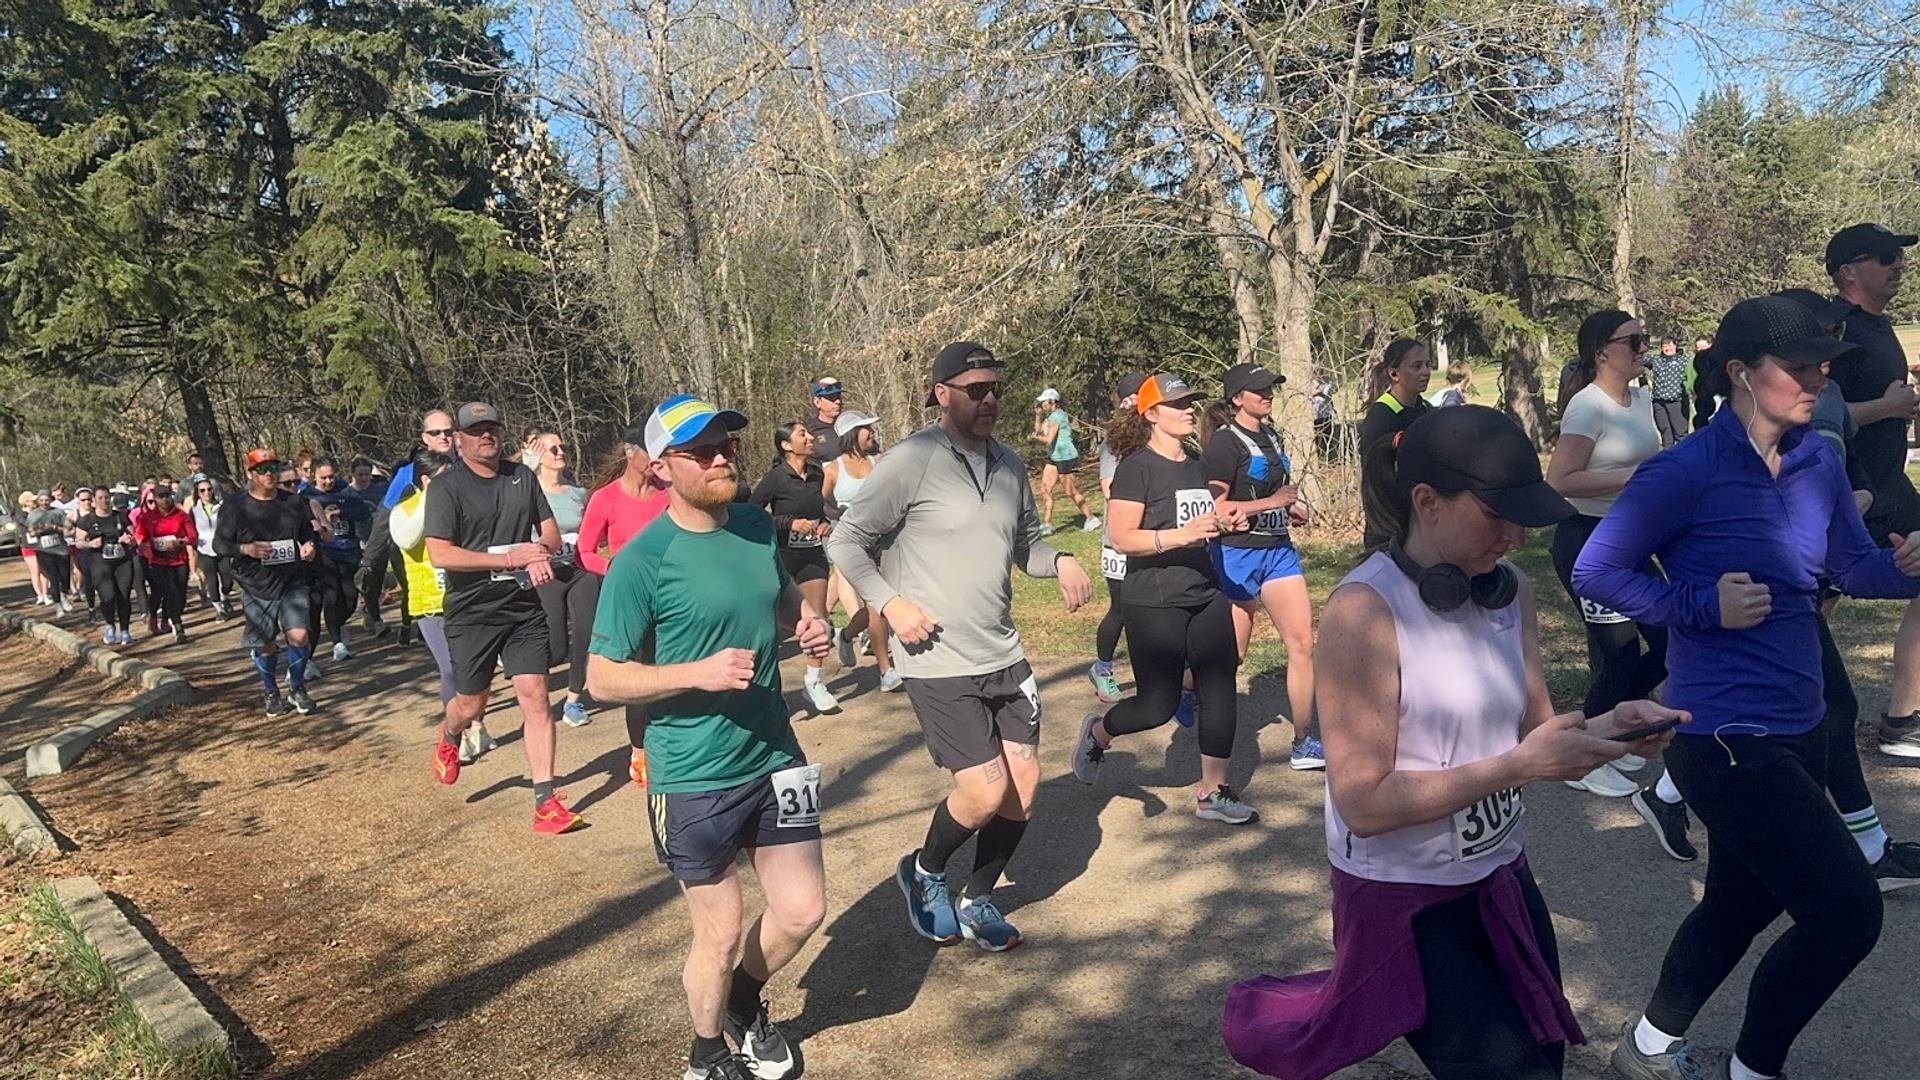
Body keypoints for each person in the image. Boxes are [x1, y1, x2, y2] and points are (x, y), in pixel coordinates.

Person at [1223, 404, 1676, 1080]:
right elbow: (1364, 804)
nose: (1516, 537)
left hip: (1500, 881)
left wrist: (1609, 731)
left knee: (1543, 1063)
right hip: (1406, 904)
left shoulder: (1508, 591)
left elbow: (1534, 733)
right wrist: (1516, 766)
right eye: (1497, 516)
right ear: (1426, 502)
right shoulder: (1362, 611)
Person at [1575, 295, 1920, 1080]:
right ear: (1739, 371)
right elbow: (1599, 570)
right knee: (1845, 914)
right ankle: (1753, 1069)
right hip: (1723, 736)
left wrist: (1901, 570)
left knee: (1740, 903)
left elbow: (1850, 566)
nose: (1817, 381)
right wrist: (1699, 605)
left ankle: (1648, 1049)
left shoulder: (1816, 460)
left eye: (1823, 367)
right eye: (1799, 368)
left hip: (1800, 725)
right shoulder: (1684, 470)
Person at [585, 394, 832, 1080]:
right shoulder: (643, 560)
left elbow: (779, 599)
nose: (723, 457)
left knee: (802, 910)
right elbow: (601, 678)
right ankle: (705, 1056)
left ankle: (744, 1003)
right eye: (703, 452)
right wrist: (696, 671)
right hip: (693, 774)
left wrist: (807, 623)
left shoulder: (754, 524)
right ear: (665, 468)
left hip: (776, 754)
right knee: (719, 932)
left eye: (727, 445)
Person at [828, 340, 1093, 952]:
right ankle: (923, 874)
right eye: (976, 390)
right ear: (941, 393)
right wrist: (891, 604)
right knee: (982, 791)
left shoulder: (1009, 465)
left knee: (1023, 788)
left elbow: (1027, 544)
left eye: (995, 387)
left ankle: (976, 897)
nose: (990, 399)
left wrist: (1063, 561)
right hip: (939, 658)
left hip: (1002, 651)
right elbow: (845, 542)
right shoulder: (911, 459)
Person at [1070, 371, 1259, 825]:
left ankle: (1213, 792)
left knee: (1220, 687)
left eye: (1191, 401)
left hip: (1204, 590)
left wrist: (1224, 521)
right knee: (1157, 705)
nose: (1189, 409)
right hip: (1153, 600)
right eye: (1178, 404)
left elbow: (1200, 516)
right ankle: (1099, 733)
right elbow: (1121, 537)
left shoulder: (1194, 461)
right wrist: (1181, 536)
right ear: (1151, 414)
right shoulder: (1136, 467)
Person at [423, 402, 581, 835]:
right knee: (472, 703)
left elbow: (548, 531)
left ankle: (545, 800)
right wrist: (509, 556)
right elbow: (440, 553)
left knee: (535, 695)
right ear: (458, 438)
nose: (485, 436)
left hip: (521, 605)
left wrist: (538, 554)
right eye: (475, 431)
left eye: (492, 428)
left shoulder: (521, 476)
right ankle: (451, 733)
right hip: (472, 611)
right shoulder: (447, 487)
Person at [1543, 310, 1667, 801]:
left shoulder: (1640, 398)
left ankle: (1622, 731)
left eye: (1644, 339)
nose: (1642, 348)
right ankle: (1581, 754)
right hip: (1587, 541)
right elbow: (1560, 482)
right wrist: (1632, 477)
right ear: (1601, 352)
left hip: (1633, 538)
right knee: (1619, 656)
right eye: (1632, 340)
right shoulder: (1587, 407)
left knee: (1669, 640)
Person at [1819, 225, 1920, 760]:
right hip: (1852, 493)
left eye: (1899, 255)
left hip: (1888, 485)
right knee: (1808, 605)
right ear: (1848, 272)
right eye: (1884, 256)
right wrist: (1888, 408)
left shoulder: (1879, 326)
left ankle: (1903, 720)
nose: (1897, 264)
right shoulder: (1834, 328)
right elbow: (1813, 410)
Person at [1203, 362, 1322, 770]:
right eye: (1259, 390)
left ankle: (1304, 741)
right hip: (1236, 555)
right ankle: (1179, 688)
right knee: (1232, 657)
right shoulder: (1223, 443)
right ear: (1237, 398)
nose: (1268, 394)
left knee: (1303, 644)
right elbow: (1216, 508)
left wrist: (1291, 509)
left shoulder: (1272, 435)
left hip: (1278, 551)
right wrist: (1270, 504)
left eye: (1271, 388)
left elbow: (1276, 492)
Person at [576, 420, 674, 787]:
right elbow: (584, 552)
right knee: (640, 675)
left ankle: (673, 743)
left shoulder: (669, 493)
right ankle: (640, 751)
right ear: (629, 452)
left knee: (675, 667)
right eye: (649, 449)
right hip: (631, 600)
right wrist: (614, 569)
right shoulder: (606, 498)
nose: (656, 458)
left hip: (671, 595)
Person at [388, 449, 496, 761]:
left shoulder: (461, 506)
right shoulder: (404, 510)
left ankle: (476, 726)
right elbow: (407, 539)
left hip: (467, 598)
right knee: (451, 670)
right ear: (425, 480)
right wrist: (429, 498)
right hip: (430, 605)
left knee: (477, 670)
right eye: (445, 478)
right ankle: (455, 736)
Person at [215, 449, 320, 717]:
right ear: (250, 474)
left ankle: (297, 688)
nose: (269, 474)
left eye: (273, 468)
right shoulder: (235, 506)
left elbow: (308, 533)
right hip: (254, 584)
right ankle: (271, 692)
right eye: (262, 469)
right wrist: (246, 549)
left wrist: (309, 546)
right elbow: (219, 544)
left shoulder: (293, 502)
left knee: (299, 635)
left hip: (292, 581)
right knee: (265, 643)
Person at [751, 422, 842, 714]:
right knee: (776, 625)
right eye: (802, 434)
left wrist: (824, 523)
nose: (810, 437)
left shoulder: (816, 473)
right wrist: (788, 523)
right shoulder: (776, 478)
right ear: (786, 445)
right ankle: (763, 686)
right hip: (783, 558)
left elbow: (819, 510)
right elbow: (753, 511)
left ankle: (813, 682)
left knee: (819, 619)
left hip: (812, 554)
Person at [821, 410, 899, 692]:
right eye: (867, 429)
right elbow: (822, 502)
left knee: (886, 601)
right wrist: (837, 521)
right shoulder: (832, 469)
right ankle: (886, 671)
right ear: (852, 435)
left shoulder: (878, 462)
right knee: (877, 606)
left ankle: (846, 635)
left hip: (885, 542)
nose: (873, 433)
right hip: (854, 546)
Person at [1089, 373, 1149, 704]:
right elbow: (1109, 489)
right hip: (1118, 540)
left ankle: (1157, 677)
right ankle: (1103, 668)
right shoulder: (1115, 441)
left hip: (1152, 535)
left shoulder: (1157, 437)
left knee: (1152, 609)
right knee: (1123, 609)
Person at [528, 432, 593, 727]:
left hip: (579, 570)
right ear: (538, 456)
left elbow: (593, 529)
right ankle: (535, 691)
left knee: (585, 631)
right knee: (555, 645)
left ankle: (573, 701)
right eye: (552, 448)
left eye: (562, 447)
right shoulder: (529, 492)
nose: (560, 452)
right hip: (547, 573)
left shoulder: (578, 493)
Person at [1358, 339, 1434, 550]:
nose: (1425, 372)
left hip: (1422, 521)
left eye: (1428, 364)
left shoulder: (1427, 409)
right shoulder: (1381, 417)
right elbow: (1375, 482)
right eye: (1416, 366)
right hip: (1389, 530)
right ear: (1394, 374)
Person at [306, 456, 371, 661]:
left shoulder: (345, 492)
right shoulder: (306, 496)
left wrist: (341, 513)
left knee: (350, 598)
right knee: (331, 596)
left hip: (347, 551)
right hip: (324, 553)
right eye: (323, 478)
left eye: (331, 477)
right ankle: (337, 644)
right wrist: (321, 519)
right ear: (314, 476)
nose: (328, 481)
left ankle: (337, 625)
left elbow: (363, 512)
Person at [74, 491, 138, 645]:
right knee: (107, 596)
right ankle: (110, 624)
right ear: (94, 501)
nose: (104, 501)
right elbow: (78, 542)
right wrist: (90, 544)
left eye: (107, 498)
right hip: (100, 562)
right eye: (100, 498)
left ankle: (125, 631)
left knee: (123, 596)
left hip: (122, 561)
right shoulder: (87, 520)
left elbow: (135, 537)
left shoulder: (120, 516)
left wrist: (128, 539)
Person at [1030, 387, 1097, 533]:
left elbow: (1048, 439)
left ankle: (1091, 518)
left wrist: (1036, 438)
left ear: (1052, 401)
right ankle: (1047, 524)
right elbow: (1038, 430)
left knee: (1070, 491)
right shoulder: (1050, 417)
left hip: (1065, 456)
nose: (1042, 405)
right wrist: (1038, 416)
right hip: (1054, 456)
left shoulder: (1058, 416)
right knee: (1046, 488)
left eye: (1044, 402)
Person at [135, 485, 196, 643]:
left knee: (181, 593)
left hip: (179, 559)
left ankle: (167, 618)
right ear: (155, 499)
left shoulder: (181, 515)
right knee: (168, 591)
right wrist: (146, 545)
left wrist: (180, 542)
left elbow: (193, 536)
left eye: (167, 495)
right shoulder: (147, 517)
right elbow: (140, 535)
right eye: (161, 496)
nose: (165, 499)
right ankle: (176, 624)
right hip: (158, 561)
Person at [189, 479, 233, 619]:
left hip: (223, 548)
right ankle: (219, 610)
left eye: (209, 489)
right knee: (211, 581)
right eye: (202, 490)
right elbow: (190, 530)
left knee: (227, 580)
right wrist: (193, 546)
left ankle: (225, 597)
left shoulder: (222, 506)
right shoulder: (194, 511)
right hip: (204, 550)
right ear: (198, 493)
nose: (206, 493)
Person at [25, 491, 74, 614]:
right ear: (38, 501)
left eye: (46, 500)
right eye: (41, 500)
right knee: (53, 577)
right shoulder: (33, 515)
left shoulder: (57, 512)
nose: (44, 502)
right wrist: (41, 529)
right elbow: (31, 532)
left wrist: (55, 528)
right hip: (44, 550)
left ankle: (64, 596)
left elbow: (68, 527)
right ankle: (57, 604)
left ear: (50, 500)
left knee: (65, 576)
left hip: (61, 549)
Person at [1648, 337, 1690, 446]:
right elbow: (1640, 359)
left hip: (1677, 401)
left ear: (1675, 346)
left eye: (1670, 345)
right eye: (1665, 346)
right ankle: (1668, 457)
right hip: (1659, 401)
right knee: (1665, 432)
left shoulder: (1683, 360)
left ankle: (1684, 459)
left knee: (1680, 434)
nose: (1668, 348)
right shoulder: (1656, 359)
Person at [18, 490, 49, 605]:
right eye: (32, 501)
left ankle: (46, 594)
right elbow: (27, 523)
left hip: (40, 545)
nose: (35, 502)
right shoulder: (20, 514)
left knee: (44, 570)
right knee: (35, 570)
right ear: (26, 502)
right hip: (28, 546)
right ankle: (39, 595)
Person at [803, 376, 844, 462]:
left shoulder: (851, 425)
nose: (838, 402)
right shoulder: (808, 431)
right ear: (818, 402)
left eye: (838, 396)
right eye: (831, 398)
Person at [1691, 335, 1721, 431]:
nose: (1701, 351)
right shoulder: (1694, 363)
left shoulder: (1720, 366)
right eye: (1698, 348)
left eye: (1703, 347)